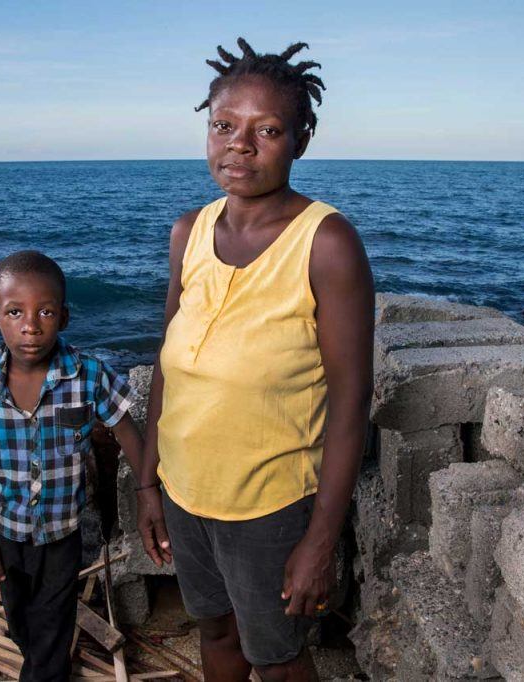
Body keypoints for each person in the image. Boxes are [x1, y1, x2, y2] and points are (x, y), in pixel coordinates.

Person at [139, 38, 375, 680]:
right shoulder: (189, 232)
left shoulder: (325, 242)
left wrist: (320, 539)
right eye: (223, 125)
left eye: (266, 129)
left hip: (270, 507)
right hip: (187, 492)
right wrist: (149, 482)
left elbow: (353, 397)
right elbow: (167, 360)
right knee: (214, 630)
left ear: (302, 138)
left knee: (276, 657)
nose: (238, 144)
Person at [0, 250, 163, 681]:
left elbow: (128, 433)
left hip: (64, 534)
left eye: (45, 311)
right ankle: (47, 661)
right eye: (15, 312)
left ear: (63, 317)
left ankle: (47, 671)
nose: (30, 325)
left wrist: (147, 493)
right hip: (6, 533)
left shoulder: (88, 375)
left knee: (53, 621)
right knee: (21, 622)